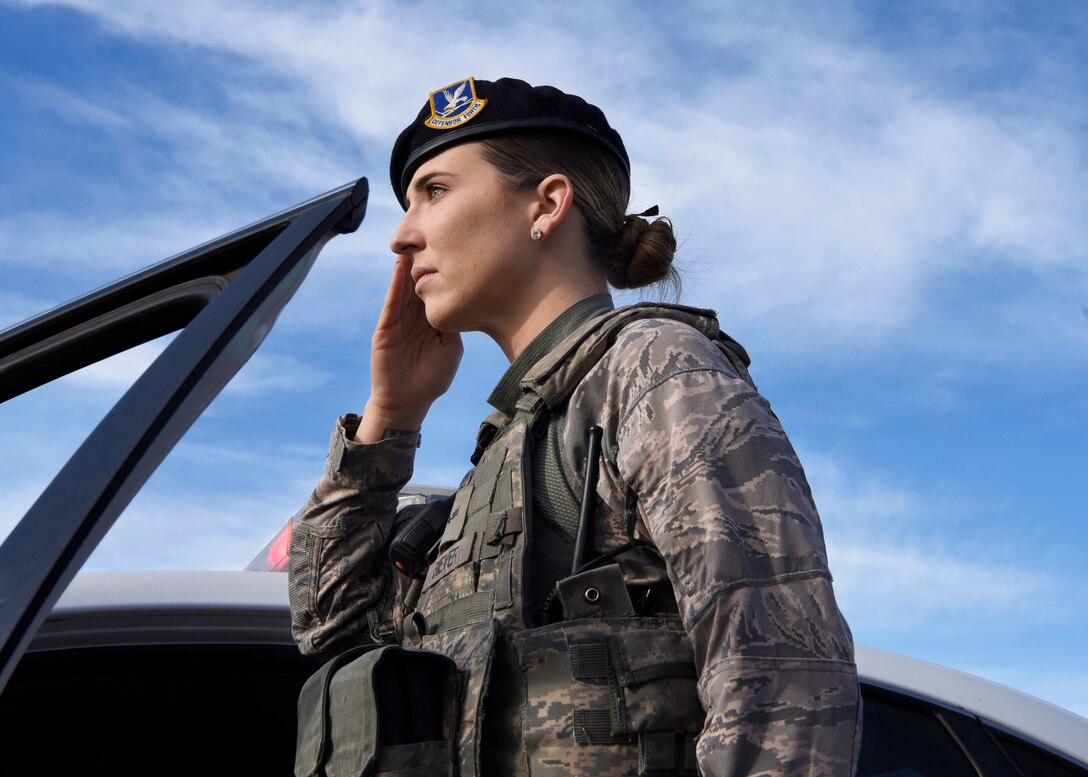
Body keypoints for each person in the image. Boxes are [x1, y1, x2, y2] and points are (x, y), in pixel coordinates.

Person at [289, 76, 861, 777]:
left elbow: (785, 684)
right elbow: (332, 631)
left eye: (434, 192)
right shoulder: (505, 455)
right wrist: (391, 417)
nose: (402, 235)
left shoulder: (654, 370)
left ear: (547, 204)